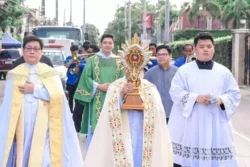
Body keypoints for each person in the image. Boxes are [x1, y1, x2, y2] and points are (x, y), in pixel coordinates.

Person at [0, 35, 83, 166]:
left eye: (36, 49)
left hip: (45, 125)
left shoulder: (50, 72)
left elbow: (58, 97)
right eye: (29, 48)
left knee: (44, 158)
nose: (32, 51)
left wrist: (35, 90)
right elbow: (7, 106)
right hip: (22, 125)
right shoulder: (13, 74)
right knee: (22, 155)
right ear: (23, 51)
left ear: (41, 52)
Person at [83, 47, 173, 167]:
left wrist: (144, 101)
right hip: (121, 134)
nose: (132, 70)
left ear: (141, 67)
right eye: (128, 67)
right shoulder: (115, 86)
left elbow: (158, 112)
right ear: (123, 67)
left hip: (143, 133)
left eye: (136, 67)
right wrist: (121, 95)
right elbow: (108, 111)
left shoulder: (149, 87)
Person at [168, 32, 241, 167]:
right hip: (191, 121)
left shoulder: (223, 72)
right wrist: (196, 98)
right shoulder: (184, 71)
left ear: (214, 48)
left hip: (215, 121)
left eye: (209, 46)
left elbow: (235, 94)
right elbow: (175, 91)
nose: (205, 49)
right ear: (195, 50)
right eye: (201, 46)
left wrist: (221, 99)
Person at [74, 34, 124, 149]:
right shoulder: (92, 60)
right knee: (96, 126)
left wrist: (113, 87)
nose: (107, 45)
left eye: (110, 43)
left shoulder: (119, 61)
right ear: (100, 44)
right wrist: (99, 86)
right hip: (96, 96)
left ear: (113, 45)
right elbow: (86, 77)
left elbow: (122, 79)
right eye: (105, 42)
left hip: (113, 98)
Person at [144, 45, 178, 123]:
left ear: (170, 56)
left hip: (174, 113)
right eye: (158, 55)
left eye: (164, 54)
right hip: (156, 113)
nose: (161, 57)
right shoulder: (149, 73)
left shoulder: (178, 72)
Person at [72, 44, 100, 133]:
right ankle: (76, 130)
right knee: (77, 111)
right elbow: (76, 71)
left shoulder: (94, 63)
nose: (86, 54)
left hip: (93, 90)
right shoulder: (84, 62)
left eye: (89, 53)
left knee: (90, 112)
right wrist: (77, 64)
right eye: (87, 52)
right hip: (81, 89)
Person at [64, 45, 85, 112]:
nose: (75, 53)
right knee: (70, 98)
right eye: (73, 52)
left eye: (76, 52)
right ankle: (70, 111)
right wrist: (72, 60)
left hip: (78, 82)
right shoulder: (68, 58)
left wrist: (77, 62)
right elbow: (66, 66)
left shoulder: (81, 59)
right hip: (70, 82)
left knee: (77, 99)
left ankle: (76, 110)